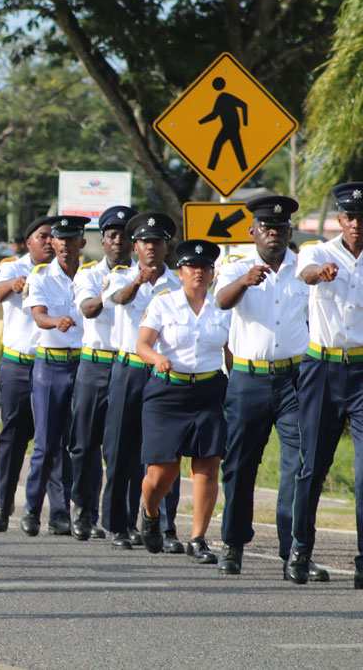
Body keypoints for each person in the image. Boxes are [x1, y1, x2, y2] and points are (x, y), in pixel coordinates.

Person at [214, 196, 312, 576]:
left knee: (299, 464)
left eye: (281, 229)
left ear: (290, 232)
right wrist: (243, 281)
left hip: (294, 380)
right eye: (267, 229)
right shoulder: (236, 266)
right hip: (247, 379)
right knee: (239, 465)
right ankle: (233, 544)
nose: (274, 235)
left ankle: (294, 552)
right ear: (253, 232)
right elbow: (222, 302)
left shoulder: (303, 270)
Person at [136, 239, 232, 563]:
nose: (199, 273)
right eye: (193, 267)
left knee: (207, 466)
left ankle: (198, 539)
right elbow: (142, 345)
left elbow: (229, 352)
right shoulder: (164, 304)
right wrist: (156, 358)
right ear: (180, 272)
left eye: (206, 268)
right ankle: (150, 514)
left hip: (208, 393)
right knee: (162, 473)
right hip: (168, 394)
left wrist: (235, 387)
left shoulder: (222, 308)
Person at [292, 181, 363, 590]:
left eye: (362, 218)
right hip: (322, 368)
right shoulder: (319, 251)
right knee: (312, 466)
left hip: (360, 371)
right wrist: (319, 274)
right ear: (340, 220)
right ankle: (301, 550)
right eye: (350, 217)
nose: (356, 224)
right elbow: (306, 272)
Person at [100, 212, 184, 552]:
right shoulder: (120, 277)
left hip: (164, 372)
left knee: (166, 452)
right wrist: (138, 281)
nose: (152, 249)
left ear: (167, 248)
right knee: (121, 449)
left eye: (158, 243)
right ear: (135, 247)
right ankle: (118, 524)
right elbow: (119, 299)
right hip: (129, 370)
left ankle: (164, 526)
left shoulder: (180, 282)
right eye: (146, 243)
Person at [69, 205, 137, 541]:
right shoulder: (90, 275)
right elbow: (88, 310)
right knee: (84, 444)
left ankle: (122, 520)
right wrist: (113, 291)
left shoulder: (146, 275)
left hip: (128, 365)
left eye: (125, 236)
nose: (118, 242)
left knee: (122, 448)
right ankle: (83, 511)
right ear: (103, 240)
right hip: (94, 364)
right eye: (112, 236)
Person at [21, 216, 90, 536]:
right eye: (58, 238)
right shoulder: (40, 277)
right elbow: (38, 315)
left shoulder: (91, 276)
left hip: (84, 365)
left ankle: (75, 513)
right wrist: (55, 321)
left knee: (80, 444)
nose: (62, 244)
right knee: (47, 444)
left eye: (70, 238)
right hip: (50, 367)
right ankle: (34, 509)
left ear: (82, 243)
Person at [0, 216, 54, 533]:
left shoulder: (63, 273)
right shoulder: (14, 266)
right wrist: (11, 285)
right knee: (13, 436)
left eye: (54, 237)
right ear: (29, 242)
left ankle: (54, 513)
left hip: (52, 364)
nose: (50, 242)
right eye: (43, 236)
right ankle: (3, 504)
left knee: (51, 438)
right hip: (18, 365)